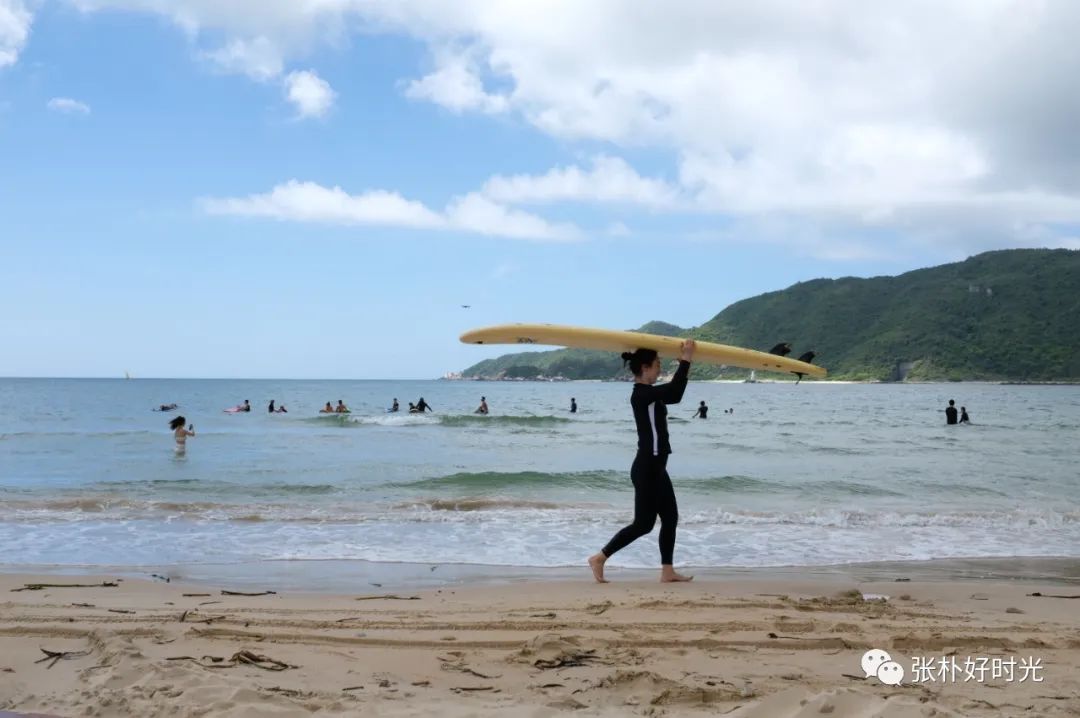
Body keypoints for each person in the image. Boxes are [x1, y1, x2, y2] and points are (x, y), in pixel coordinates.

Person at [589, 340, 697, 584]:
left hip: (657, 468)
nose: (660, 368)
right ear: (646, 367)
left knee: (670, 518)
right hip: (647, 468)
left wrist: (686, 362)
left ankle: (667, 571)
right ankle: (599, 558)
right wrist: (686, 358)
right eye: (658, 364)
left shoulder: (653, 395)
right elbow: (675, 391)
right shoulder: (641, 395)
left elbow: (674, 396)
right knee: (643, 525)